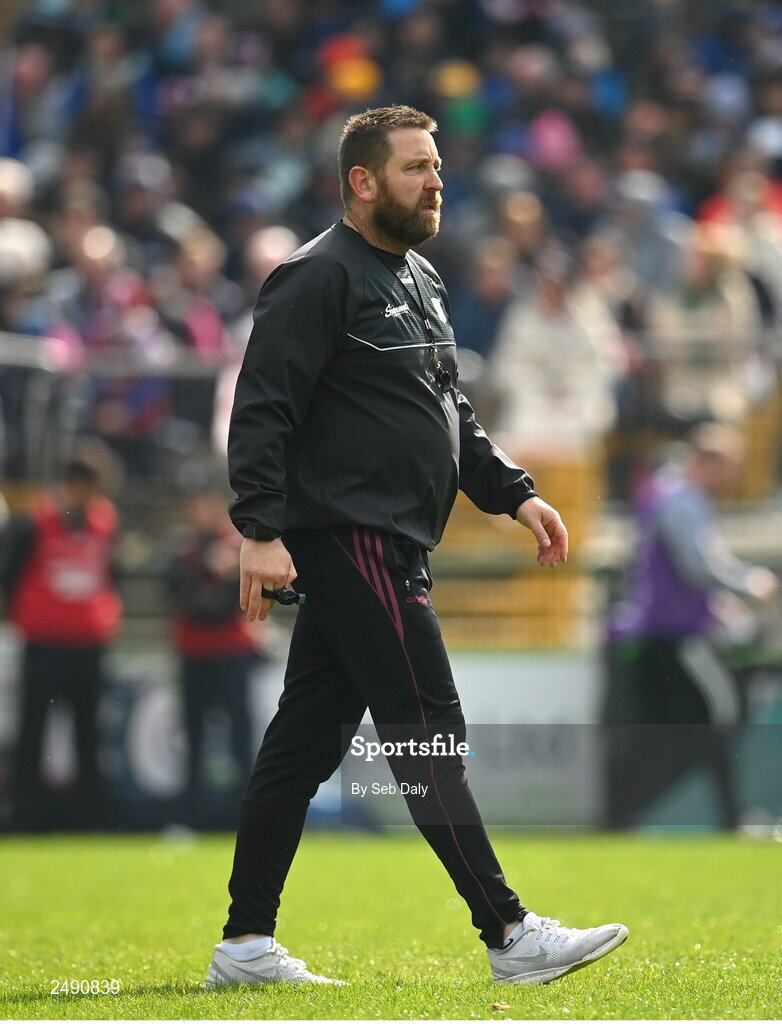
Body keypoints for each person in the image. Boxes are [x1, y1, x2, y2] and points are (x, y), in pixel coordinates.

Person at [207, 105, 628, 989]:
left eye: (436, 167)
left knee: (302, 744)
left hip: (392, 540)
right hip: (353, 539)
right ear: (362, 183)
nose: (437, 181)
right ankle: (510, 933)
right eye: (414, 169)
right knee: (428, 731)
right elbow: (263, 408)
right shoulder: (314, 277)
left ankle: (244, 945)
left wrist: (515, 491)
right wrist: (258, 530)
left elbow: (451, 412)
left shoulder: (421, 278)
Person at [603, 423, 778, 829]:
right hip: (677, 638)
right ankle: (730, 818)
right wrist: (750, 584)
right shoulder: (683, 501)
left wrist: (719, 607)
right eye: (730, 466)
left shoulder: (663, 493)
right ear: (708, 461)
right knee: (722, 719)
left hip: (653, 634)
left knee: (674, 733)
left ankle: (625, 815)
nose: (733, 478)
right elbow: (698, 566)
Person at [2, 460, 122, 828]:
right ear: (71, 484)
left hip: (87, 645)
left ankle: (89, 815)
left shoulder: (105, 523)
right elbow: (9, 576)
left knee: (88, 731)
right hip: (43, 644)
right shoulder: (36, 523)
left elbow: (111, 576)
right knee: (32, 730)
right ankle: (25, 814)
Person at [166, 482, 263, 822]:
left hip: (231, 651)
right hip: (194, 652)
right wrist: (205, 570)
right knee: (193, 734)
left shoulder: (237, 546)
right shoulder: (183, 549)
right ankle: (191, 813)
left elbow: (241, 599)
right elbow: (175, 594)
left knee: (240, 733)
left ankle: (245, 812)